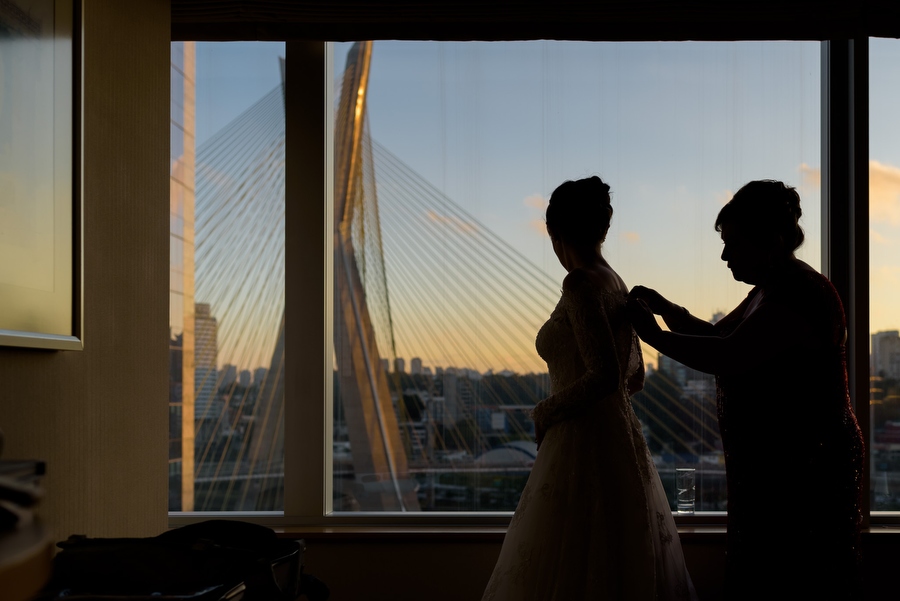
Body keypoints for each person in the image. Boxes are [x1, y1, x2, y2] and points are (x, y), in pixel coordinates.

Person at [627, 179, 864, 600]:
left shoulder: (801, 293)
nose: (723, 255)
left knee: (792, 574)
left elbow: (730, 356)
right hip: (775, 462)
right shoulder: (770, 287)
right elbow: (720, 337)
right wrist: (668, 311)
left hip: (805, 465)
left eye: (733, 243)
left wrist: (654, 336)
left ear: (769, 240)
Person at [482, 176, 697, 601]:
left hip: (579, 440)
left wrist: (547, 410)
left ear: (555, 234)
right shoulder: (616, 282)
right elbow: (633, 378)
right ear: (602, 229)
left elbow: (604, 376)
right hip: (620, 439)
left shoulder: (579, 284)